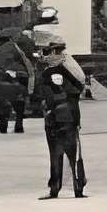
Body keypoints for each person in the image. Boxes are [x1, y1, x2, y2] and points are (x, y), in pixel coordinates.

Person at [34, 40, 88, 198]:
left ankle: (55, 188)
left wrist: (49, 106)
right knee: (73, 154)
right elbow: (78, 89)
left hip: (54, 119)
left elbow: (42, 96)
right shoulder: (71, 72)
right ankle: (78, 187)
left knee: (56, 154)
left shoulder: (46, 74)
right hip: (71, 117)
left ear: (52, 53)